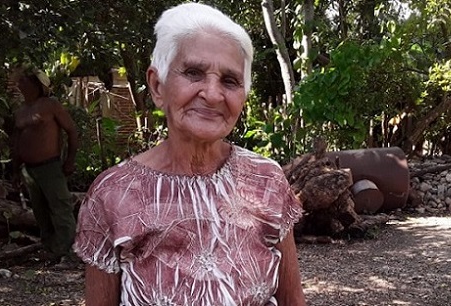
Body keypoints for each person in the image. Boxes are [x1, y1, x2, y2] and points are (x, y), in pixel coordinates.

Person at [74, 3, 307, 305]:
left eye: (229, 80)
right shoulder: (114, 194)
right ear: (158, 86)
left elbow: (292, 299)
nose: (212, 94)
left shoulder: (266, 179)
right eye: (194, 73)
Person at [12, 67, 79, 263]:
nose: (19, 85)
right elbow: (16, 144)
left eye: (24, 81)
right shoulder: (21, 112)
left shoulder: (50, 105)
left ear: (36, 85)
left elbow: (72, 131)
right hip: (29, 171)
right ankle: (50, 249)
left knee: (60, 208)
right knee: (40, 211)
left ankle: (68, 252)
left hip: (50, 167)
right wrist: (16, 171)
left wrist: (70, 160)